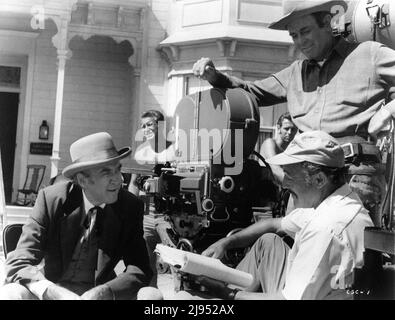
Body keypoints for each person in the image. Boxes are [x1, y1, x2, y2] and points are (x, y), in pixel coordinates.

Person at [192, 0, 395, 227]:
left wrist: (389, 110)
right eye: (294, 36)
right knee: (300, 249)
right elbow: (252, 92)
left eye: (305, 31)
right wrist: (215, 77)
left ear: (327, 23)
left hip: (352, 174)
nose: (300, 42)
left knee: (353, 255)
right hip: (304, 178)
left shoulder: (369, 54)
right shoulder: (295, 72)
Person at [160, 130, 373, 300]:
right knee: (268, 242)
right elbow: (273, 224)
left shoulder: (324, 227)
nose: (284, 183)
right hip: (320, 290)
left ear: (318, 180)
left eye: (290, 176)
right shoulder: (339, 202)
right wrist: (226, 242)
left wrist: (226, 293)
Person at [0, 132, 152, 300]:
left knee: (151, 296)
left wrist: (106, 291)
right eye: (107, 172)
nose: (119, 179)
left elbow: (140, 268)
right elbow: (18, 262)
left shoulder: (130, 206)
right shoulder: (51, 200)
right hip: (53, 291)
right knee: (11, 293)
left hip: (100, 296)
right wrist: (52, 292)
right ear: (83, 180)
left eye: (118, 170)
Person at [128, 110, 175, 287]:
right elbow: (133, 182)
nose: (145, 129)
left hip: (169, 216)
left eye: (149, 124)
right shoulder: (140, 153)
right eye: (142, 126)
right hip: (146, 215)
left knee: (177, 263)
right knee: (147, 264)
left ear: (160, 126)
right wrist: (130, 211)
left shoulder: (174, 149)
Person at [260, 112, 298, 185]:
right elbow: (275, 170)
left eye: (293, 129)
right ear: (278, 128)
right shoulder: (270, 143)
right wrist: (296, 186)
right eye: (286, 129)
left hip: (278, 192)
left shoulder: (291, 149)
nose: (290, 132)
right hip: (262, 190)